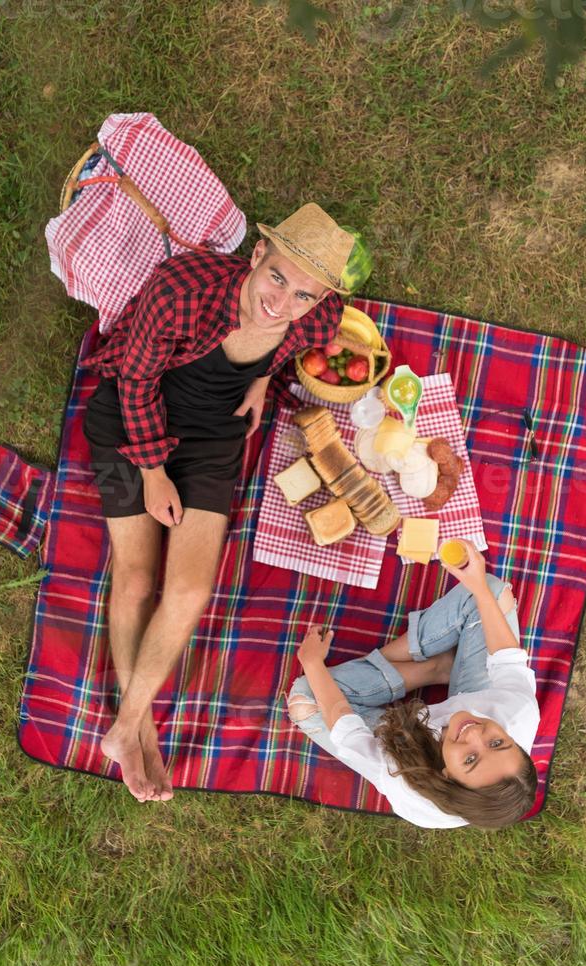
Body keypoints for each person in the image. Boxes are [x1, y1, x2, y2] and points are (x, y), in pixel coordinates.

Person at [82, 203, 354, 803]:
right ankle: (139, 732)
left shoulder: (318, 316)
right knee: (132, 579)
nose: (282, 303)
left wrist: (260, 380)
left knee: (189, 590)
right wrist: (152, 472)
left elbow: (289, 341)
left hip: (213, 437)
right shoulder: (183, 289)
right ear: (257, 256)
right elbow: (133, 380)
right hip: (134, 419)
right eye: (278, 277)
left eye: (303, 295)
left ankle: (124, 726)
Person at [288, 543, 540, 829]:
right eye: (497, 743)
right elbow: (508, 661)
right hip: (472, 693)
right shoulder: (518, 712)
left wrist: (312, 662)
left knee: (304, 698)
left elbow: (347, 730)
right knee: (494, 592)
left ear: (446, 776)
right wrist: (479, 586)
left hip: (405, 736)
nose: (475, 734)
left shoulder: (403, 775)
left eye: (470, 759)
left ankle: (431, 667)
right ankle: (434, 668)